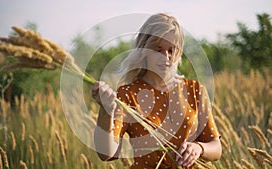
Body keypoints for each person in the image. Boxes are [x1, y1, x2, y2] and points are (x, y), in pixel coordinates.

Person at [91, 13, 222, 169]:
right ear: (145, 49)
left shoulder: (195, 90)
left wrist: (199, 148)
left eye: (171, 50)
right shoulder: (128, 94)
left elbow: (216, 147)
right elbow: (107, 154)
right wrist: (106, 111)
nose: (165, 57)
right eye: (158, 49)